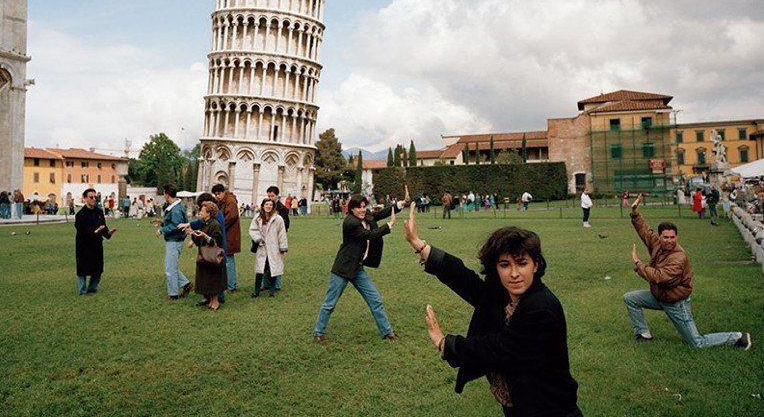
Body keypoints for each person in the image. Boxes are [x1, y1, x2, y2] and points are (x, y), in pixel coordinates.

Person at [403, 203, 582, 416]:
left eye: (522, 263)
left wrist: (447, 344)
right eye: (505, 265)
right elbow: (467, 281)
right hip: (521, 406)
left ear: (535, 264)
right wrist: (420, 245)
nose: (514, 273)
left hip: (550, 409)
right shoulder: (504, 294)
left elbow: (498, 349)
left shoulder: (541, 308)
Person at [623, 194, 751, 349]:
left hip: (676, 303)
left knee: (697, 343)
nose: (669, 240)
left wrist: (638, 263)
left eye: (672, 237)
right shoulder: (657, 244)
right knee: (630, 298)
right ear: (660, 237)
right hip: (660, 296)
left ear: (676, 237)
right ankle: (643, 334)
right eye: (666, 237)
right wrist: (635, 213)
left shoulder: (679, 257)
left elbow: (660, 277)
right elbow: (645, 231)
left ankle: (738, 337)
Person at [313, 188, 409, 342]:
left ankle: (387, 332)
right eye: (359, 207)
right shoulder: (350, 222)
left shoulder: (366, 215)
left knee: (375, 299)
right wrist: (389, 226)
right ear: (352, 209)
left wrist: (400, 204)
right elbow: (369, 235)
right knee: (330, 303)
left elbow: (380, 214)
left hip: (358, 268)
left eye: (365, 206)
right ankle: (319, 333)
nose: (363, 210)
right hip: (343, 269)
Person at [183, 201, 226, 311]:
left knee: (213, 279)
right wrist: (193, 234)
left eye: (202, 211)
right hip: (205, 257)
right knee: (208, 279)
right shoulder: (204, 224)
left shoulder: (215, 224)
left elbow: (218, 241)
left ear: (209, 213)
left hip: (213, 258)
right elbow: (200, 240)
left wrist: (205, 236)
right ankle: (211, 301)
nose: (200, 213)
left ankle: (215, 302)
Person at [153, 184, 193, 300]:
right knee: (172, 266)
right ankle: (186, 284)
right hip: (176, 240)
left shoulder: (175, 209)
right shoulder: (177, 207)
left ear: (166, 195)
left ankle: (173, 294)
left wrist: (162, 230)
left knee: (170, 268)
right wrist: (162, 223)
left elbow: (176, 226)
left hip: (174, 241)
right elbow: (175, 223)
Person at [75, 188, 117, 296]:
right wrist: (94, 231)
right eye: (91, 197)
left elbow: (103, 226)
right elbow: (81, 229)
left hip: (97, 244)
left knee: (98, 268)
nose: (94, 199)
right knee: (83, 269)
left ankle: (93, 287)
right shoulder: (80, 215)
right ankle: (82, 290)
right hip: (84, 245)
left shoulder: (99, 212)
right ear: (85, 199)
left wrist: (108, 233)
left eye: (95, 197)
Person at [249, 198, 288, 297]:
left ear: (273, 207)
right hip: (262, 247)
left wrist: (283, 248)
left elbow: (282, 234)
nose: (268, 206)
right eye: (266, 204)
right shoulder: (258, 218)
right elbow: (253, 230)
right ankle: (256, 290)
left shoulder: (278, 219)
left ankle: (272, 290)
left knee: (272, 268)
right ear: (263, 205)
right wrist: (258, 240)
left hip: (273, 247)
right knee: (260, 269)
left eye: (270, 205)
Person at [213, 184, 241, 293]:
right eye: (215, 195)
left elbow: (231, 217)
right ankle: (228, 284)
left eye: (218, 194)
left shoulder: (230, 201)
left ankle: (231, 285)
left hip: (229, 235)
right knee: (226, 259)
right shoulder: (224, 201)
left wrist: (219, 226)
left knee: (229, 260)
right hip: (226, 233)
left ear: (222, 192)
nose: (217, 197)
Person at [265, 185, 290, 292]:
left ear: (277, 196)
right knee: (265, 261)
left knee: (277, 261)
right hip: (267, 238)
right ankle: (266, 283)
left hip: (277, 239)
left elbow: (286, 225)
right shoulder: (266, 207)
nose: (270, 198)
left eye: (272, 196)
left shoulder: (282, 209)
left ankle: (277, 285)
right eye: (269, 196)